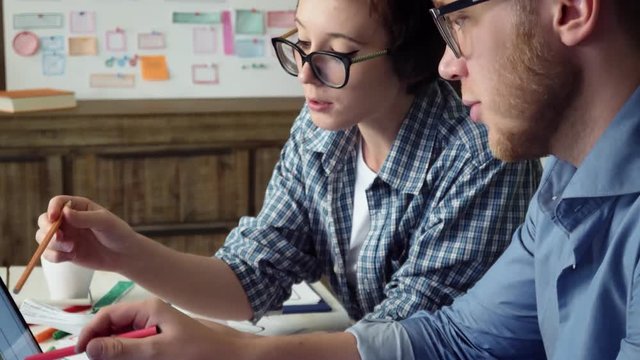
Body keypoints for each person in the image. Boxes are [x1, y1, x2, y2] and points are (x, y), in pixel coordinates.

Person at [64, 0, 640, 359]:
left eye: (460, 19)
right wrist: (224, 347)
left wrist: (233, 351)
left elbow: (419, 328)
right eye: (302, 42)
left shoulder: (481, 152)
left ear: (571, 8)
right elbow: (454, 339)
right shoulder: (563, 183)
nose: (449, 60)